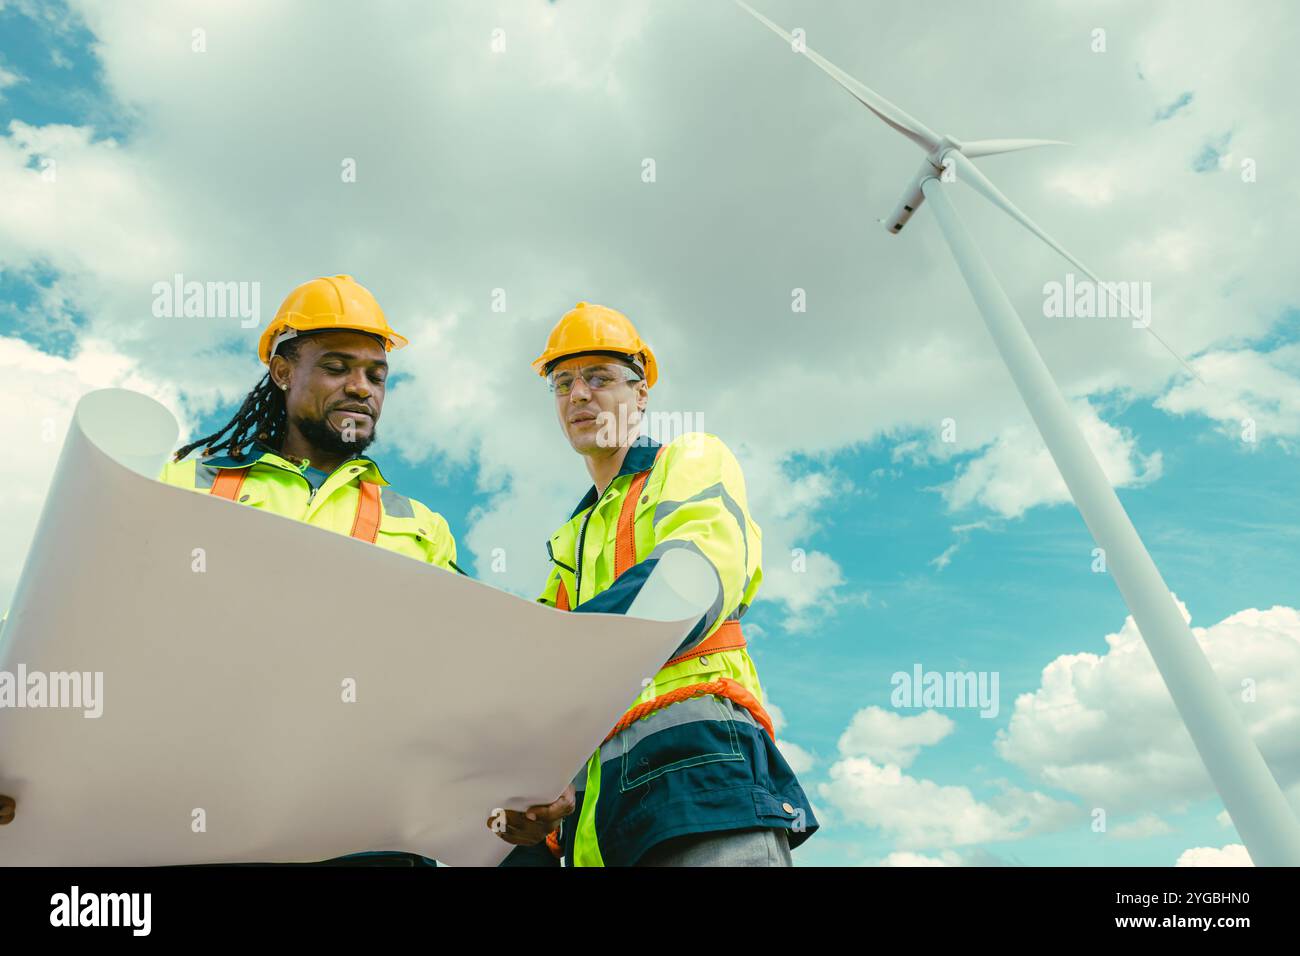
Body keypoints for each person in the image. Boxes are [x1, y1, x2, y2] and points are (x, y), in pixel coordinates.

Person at [1, 275, 460, 869]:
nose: (360, 387)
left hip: (356, 824)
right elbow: (74, 617)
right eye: (337, 366)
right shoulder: (183, 483)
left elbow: (455, 672)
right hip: (191, 807)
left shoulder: (422, 527)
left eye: (376, 374)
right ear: (281, 371)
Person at [494, 301, 817, 866]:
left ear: (641, 395)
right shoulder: (569, 540)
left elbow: (692, 576)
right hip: (598, 821)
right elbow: (536, 687)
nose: (578, 395)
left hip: (698, 777)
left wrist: (549, 657)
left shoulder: (689, 458)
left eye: (598, 377)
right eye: (563, 382)